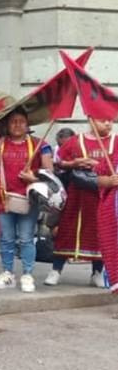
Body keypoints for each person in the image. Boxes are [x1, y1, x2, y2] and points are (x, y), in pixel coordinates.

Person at [0, 109, 51, 293]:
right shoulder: (0, 142)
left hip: (28, 200)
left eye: (21, 121)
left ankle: (27, 274)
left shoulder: (40, 144)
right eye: (13, 121)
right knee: (6, 239)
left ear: (27, 124)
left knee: (26, 238)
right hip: (4, 198)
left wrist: (33, 177)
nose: (17, 125)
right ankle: (7, 273)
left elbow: (49, 171)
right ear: (7, 125)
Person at [46, 119, 112, 288]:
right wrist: (74, 163)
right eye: (103, 120)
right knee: (66, 230)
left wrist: (100, 167)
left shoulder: (115, 142)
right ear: (92, 120)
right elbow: (59, 162)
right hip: (76, 194)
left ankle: (97, 272)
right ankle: (56, 270)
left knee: (99, 233)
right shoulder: (76, 140)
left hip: (101, 196)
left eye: (110, 120)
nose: (108, 123)